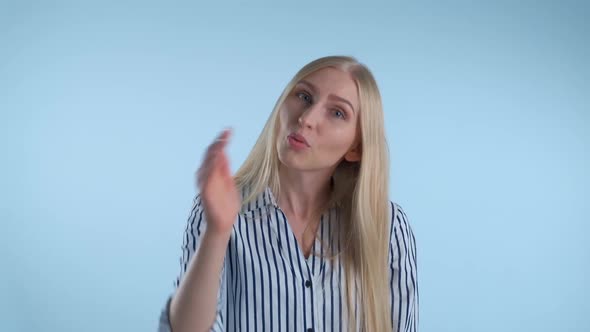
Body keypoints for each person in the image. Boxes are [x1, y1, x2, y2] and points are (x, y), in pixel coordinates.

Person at [158, 55, 418, 332]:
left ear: (355, 148)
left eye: (337, 112)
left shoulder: (388, 227)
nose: (306, 118)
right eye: (304, 96)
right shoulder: (219, 210)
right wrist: (217, 231)